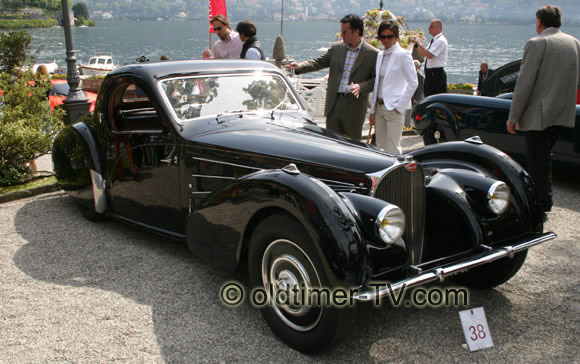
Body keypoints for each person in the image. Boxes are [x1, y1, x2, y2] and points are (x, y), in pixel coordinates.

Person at [507, 5, 580, 215]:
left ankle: (539, 204)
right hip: (563, 111)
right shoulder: (574, 43)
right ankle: (544, 199)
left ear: (540, 21)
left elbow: (524, 84)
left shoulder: (537, 43)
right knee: (545, 156)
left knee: (537, 159)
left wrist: (514, 116)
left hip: (539, 113)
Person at [288, 14, 378, 140]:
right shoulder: (337, 48)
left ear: (356, 32)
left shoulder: (373, 54)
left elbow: (376, 80)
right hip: (334, 104)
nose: (341, 34)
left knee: (353, 145)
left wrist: (361, 86)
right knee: (331, 142)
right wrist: (300, 67)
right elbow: (319, 62)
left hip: (354, 106)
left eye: (344, 32)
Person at [369, 21, 418, 154]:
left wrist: (399, 107)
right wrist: (372, 110)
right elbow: (378, 83)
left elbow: (413, 82)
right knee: (380, 146)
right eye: (382, 37)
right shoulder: (380, 55)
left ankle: (398, 175)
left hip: (394, 108)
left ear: (396, 37)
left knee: (393, 147)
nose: (386, 40)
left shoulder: (403, 55)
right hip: (379, 107)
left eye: (389, 36)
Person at [413, 19, 448, 97]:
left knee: (435, 97)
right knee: (428, 95)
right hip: (430, 74)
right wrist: (417, 45)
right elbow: (423, 54)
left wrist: (419, 43)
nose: (429, 28)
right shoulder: (434, 41)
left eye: (431, 26)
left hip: (436, 73)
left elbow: (430, 55)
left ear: (438, 28)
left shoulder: (440, 40)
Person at [405, 59, 424, 129]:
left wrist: (417, 98)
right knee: (408, 111)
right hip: (410, 96)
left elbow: (420, 88)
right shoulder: (411, 74)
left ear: (416, 67)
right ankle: (407, 125)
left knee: (411, 112)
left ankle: (409, 125)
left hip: (415, 98)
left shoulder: (420, 76)